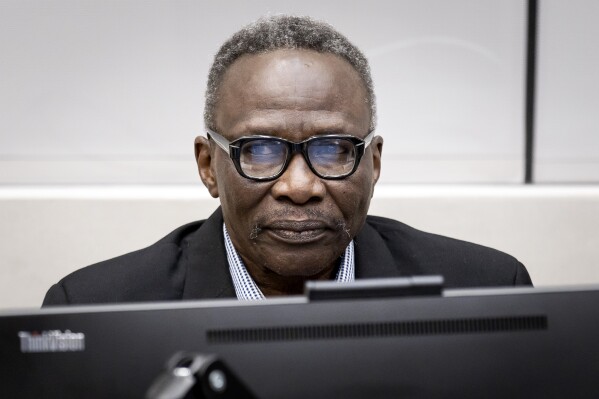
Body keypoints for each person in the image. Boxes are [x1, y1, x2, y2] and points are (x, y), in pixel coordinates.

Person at [43, 15, 531, 306]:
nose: (299, 187)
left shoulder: (483, 291)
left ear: (373, 164)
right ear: (208, 165)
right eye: (258, 150)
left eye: (333, 149)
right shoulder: (96, 309)